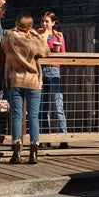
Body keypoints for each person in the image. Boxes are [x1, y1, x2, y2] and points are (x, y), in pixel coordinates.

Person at [1, 13, 50, 164]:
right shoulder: (34, 40)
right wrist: (38, 35)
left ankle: (16, 152)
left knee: (17, 116)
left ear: (17, 23)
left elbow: (2, 45)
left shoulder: (10, 36)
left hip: (16, 80)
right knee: (33, 116)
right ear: (30, 26)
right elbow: (46, 51)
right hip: (33, 82)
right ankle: (33, 152)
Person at [39, 11, 68, 146]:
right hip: (41, 71)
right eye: (43, 21)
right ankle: (46, 139)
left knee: (57, 106)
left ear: (53, 23)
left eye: (47, 21)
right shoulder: (38, 35)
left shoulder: (59, 36)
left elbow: (63, 54)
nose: (44, 24)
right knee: (42, 107)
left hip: (54, 70)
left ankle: (63, 138)